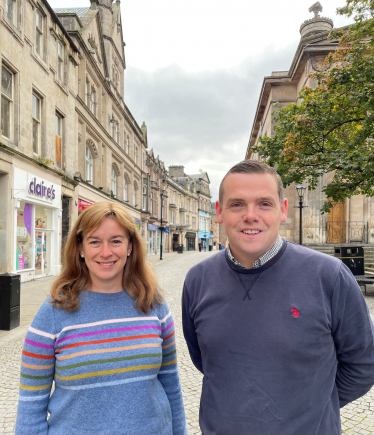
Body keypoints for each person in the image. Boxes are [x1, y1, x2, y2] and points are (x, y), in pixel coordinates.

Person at [182, 160, 374, 435]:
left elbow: (363, 365)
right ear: (219, 212)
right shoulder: (197, 280)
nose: (250, 215)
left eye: (264, 203)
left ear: (282, 210)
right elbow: (207, 360)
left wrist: (314, 407)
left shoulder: (329, 276)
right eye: (237, 204)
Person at [16, 202, 187, 435]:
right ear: (80, 248)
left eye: (116, 241)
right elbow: (31, 402)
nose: (106, 252)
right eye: (95, 241)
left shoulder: (153, 303)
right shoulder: (54, 312)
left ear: (130, 246)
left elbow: (170, 384)